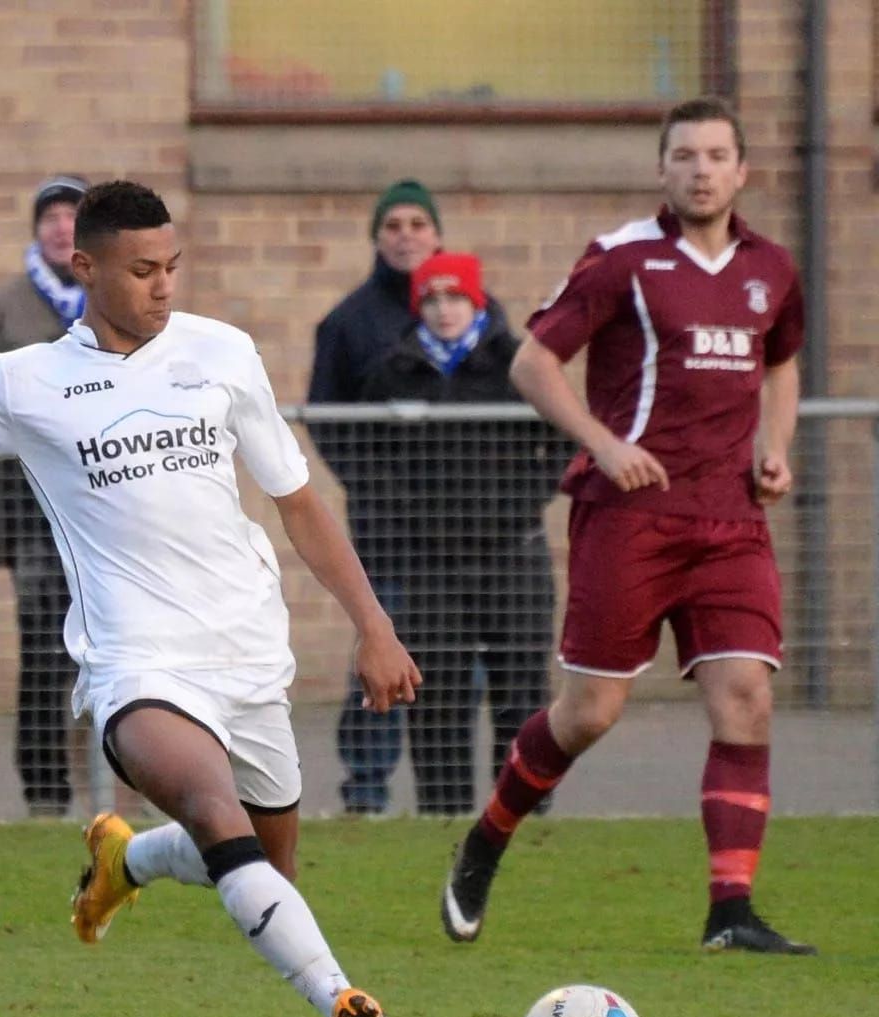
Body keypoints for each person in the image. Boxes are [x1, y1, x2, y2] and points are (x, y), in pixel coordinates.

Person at [0, 180, 421, 1017]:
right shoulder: (24, 382)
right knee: (221, 820)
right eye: (142, 270)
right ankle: (344, 1002)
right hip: (134, 660)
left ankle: (127, 858)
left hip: (249, 653)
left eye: (172, 267)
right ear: (87, 268)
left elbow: (298, 503)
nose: (163, 286)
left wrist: (372, 627)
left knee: (266, 865)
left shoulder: (222, 354)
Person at [440, 96, 815, 955]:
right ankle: (486, 839)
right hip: (631, 520)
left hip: (731, 519)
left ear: (741, 169)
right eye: (684, 155)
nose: (701, 169)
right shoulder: (622, 260)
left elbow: (782, 361)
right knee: (592, 712)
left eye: (717, 155)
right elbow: (534, 362)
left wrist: (776, 447)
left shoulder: (774, 269)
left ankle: (731, 913)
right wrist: (604, 447)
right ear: (662, 168)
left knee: (747, 699)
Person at [358, 251, 568, 814]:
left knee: (521, 694)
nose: (444, 309)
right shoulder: (392, 369)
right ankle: (443, 821)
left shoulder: (516, 362)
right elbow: (367, 459)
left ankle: (519, 818)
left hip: (513, 555)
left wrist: (522, 501)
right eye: (431, 298)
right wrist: (410, 513)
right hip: (431, 563)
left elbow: (566, 439)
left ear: (475, 301)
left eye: (455, 298)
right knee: (437, 697)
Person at [307, 179, 445, 813]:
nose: (407, 235)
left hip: (462, 529)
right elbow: (327, 417)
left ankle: (452, 795)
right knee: (380, 645)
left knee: (456, 660)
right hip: (386, 526)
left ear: (436, 234)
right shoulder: (347, 321)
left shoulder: (470, 308)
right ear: (377, 237)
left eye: (418, 223)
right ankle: (365, 788)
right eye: (394, 225)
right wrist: (372, 484)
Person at [0, 174, 89, 817]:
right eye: (51, 216)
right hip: (34, 517)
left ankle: (121, 792)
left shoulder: (122, 298)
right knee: (43, 656)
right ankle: (45, 796)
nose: (61, 227)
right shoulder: (3, 311)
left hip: (111, 515)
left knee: (120, 651)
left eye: (74, 215)